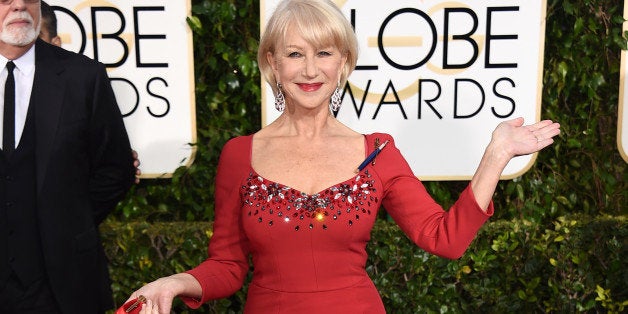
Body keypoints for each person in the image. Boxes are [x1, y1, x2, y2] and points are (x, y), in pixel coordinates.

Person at [127, 0, 561, 313]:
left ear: (345, 63)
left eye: (324, 53)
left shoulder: (377, 152)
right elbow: (227, 265)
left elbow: (443, 238)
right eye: (295, 54)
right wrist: (175, 282)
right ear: (273, 64)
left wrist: (496, 155)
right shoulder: (240, 154)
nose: (310, 70)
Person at [0, 0, 136, 313]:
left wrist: (70, 221)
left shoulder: (82, 76)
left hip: (61, 287)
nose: (19, 5)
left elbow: (116, 169)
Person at [38, 0, 142, 183]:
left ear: (56, 43)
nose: (26, 43)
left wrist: (74, 211)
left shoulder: (82, 91)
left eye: (37, 36)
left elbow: (115, 169)